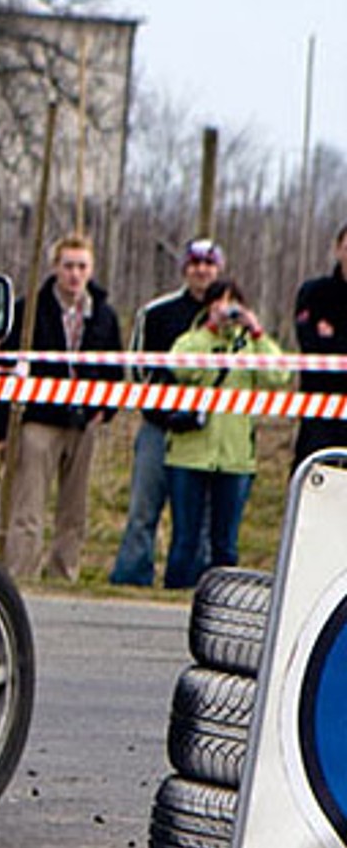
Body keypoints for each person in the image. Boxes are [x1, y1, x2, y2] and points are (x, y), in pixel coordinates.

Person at [0, 233, 123, 583]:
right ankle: (20, 574)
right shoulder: (29, 311)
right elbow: (4, 371)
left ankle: (65, 573)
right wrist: (4, 430)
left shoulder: (103, 315)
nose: (75, 274)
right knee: (28, 507)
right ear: (55, 268)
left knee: (74, 509)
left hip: (83, 422)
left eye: (82, 266)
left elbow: (116, 368)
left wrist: (105, 410)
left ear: (91, 269)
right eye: (68, 266)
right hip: (38, 421)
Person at [108, 237, 226, 586]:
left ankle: (189, 580)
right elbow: (138, 367)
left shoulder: (231, 319)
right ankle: (132, 575)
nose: (201, 270)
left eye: (208, 264)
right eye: (194, 264)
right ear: (185, 269)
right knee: (143, 509)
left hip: (206, 433)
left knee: (197, 518)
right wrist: (162, 409)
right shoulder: (157, 313)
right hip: (159, 428)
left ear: (217, 269)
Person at [162, 280, 292, 591]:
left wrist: (257, 332)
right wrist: (210, 330)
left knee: (225, 542)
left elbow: (279, 376)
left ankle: (221, 598)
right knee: (185, 539)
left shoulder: (250, 346)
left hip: (234, 457)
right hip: (190, 453)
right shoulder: (194, 340)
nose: (227, 309)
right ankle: (175, 592)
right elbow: (179, 367)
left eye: (233, 303)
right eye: (220, 302)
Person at [292, 223, 347, 471]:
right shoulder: (313, 292)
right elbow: (309, 344)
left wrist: (333, 339)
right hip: (319, 412)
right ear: (338, 249)